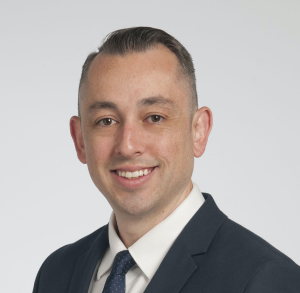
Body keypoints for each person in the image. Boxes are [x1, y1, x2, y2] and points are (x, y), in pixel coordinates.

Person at [32, 27, 300, 293]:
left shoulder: (267, 280)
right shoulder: (56, 273)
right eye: (106, 121)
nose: (127, 146)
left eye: (155, 117)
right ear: (80, 140)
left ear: (198, 131)